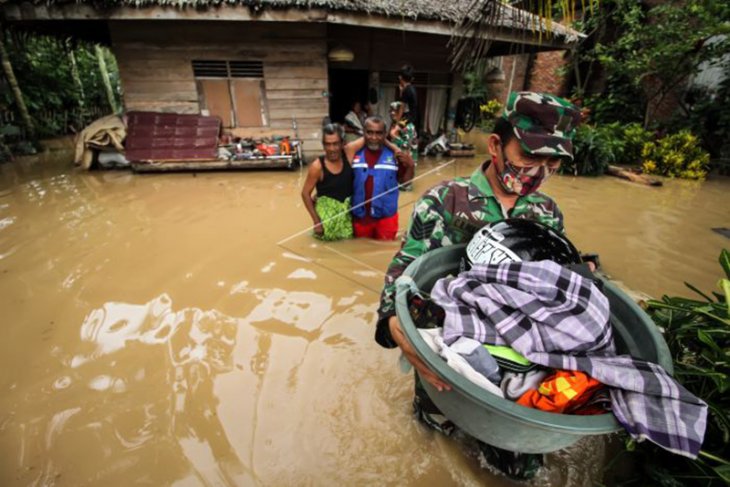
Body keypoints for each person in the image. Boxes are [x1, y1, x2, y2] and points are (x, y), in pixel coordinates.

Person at [374, 91, 582, 470]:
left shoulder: (547, 213)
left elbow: (556, 286)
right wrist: (392, 320)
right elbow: (404, 271)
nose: (538, 171)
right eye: (529, 155)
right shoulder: (444, 202)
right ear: (495, 145)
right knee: (431, 443)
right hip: (447, 357)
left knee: (519, 466)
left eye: (552, 161)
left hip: (515, 357)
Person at [344, 116, 414, 240]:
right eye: (369, 132)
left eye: (378, 133)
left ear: (385, 134)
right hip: (361, 218)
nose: (374, 137)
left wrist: (410, 166)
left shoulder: (395, 155)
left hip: (386, 219)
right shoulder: (354, 154)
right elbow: (341, 180)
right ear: (363, 133)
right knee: (360, 250)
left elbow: (405, 182)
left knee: (384, 252)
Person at [301, 123, 354, 241]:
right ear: (323, 145)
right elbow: (305, 194)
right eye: (328, 144)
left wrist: (395, 148)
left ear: (342, 143)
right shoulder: (317, 167)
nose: (332, 149)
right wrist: (316, 222)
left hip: (349, 217)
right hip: (327, 221)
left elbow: (370, 137)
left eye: (335, 144)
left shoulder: (349, 154)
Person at [398, 64, 419, 130]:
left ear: (400, 77)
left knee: (393, 132)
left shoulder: (406, 90)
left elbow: (402, 108)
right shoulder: (412, 88)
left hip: (408, 119)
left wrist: (397, 122)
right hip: (414, 118)